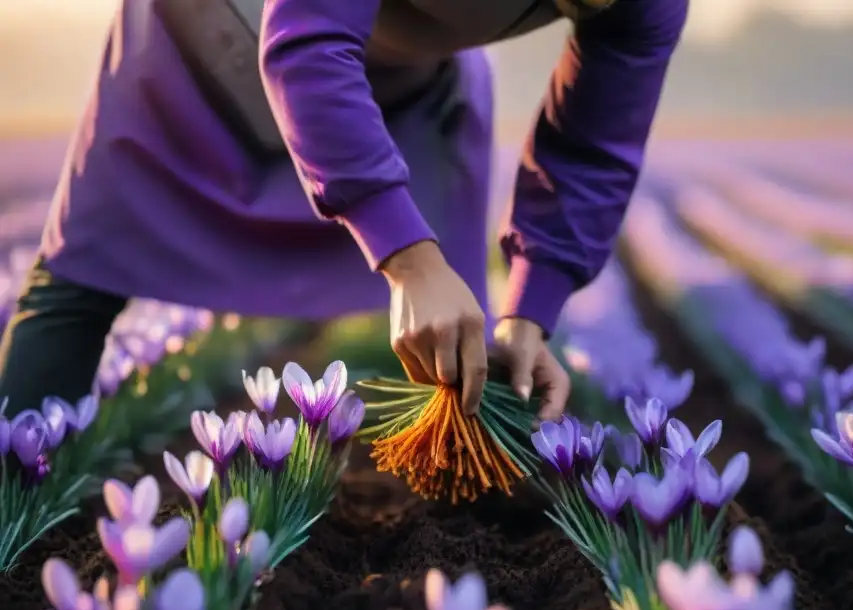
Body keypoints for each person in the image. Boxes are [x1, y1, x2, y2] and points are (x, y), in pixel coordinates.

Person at [0, 0, 688, 422]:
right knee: (83, 273)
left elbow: (593, 147)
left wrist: (531, 310)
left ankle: (457, 525)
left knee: (459, 343)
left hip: (409, 85)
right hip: (204, 38)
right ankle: (16, 495)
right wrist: (411, 260)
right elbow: (308, 47)